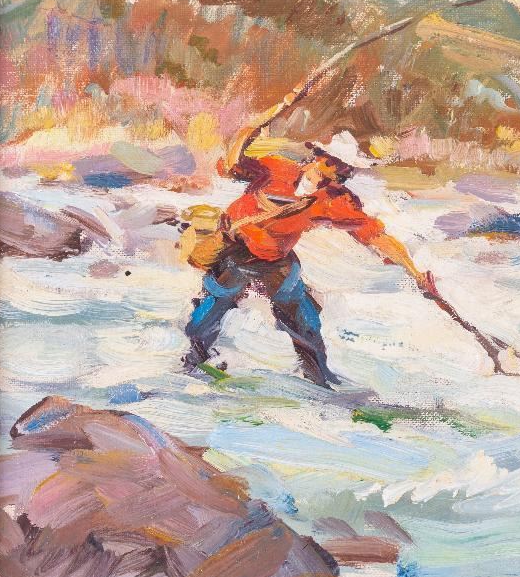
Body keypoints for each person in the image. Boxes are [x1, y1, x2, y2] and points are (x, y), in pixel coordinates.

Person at [183, 133, 436, 387]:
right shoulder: (277, 169)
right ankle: (194, 360)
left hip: (277, 261)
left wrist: (414, 272)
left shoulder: (333, 200)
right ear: (320, 158)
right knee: (212, 307)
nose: (340, 175)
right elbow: (232, 164)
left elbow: (375, 236)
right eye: (337, 165)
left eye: (346, 171)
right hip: (235, 253)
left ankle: (318, 376)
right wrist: (251, 129)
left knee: (305, 319)